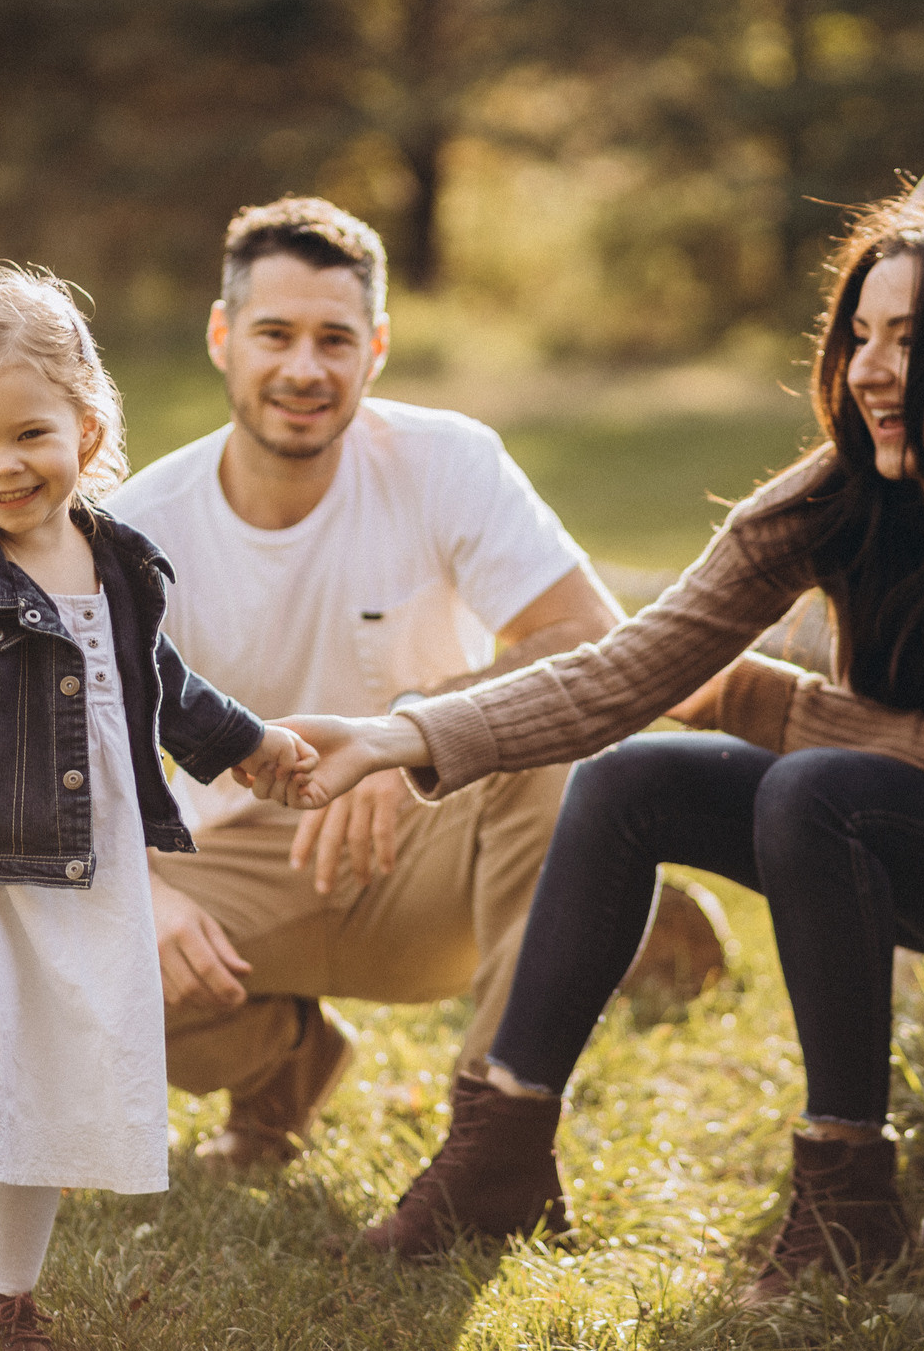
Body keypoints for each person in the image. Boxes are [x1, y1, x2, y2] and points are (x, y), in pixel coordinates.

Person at [281, 197, 924, 1297]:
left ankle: (849, 1199)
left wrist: (775, 708)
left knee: (816, 791)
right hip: (920, 836)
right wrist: (397, 737)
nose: (868, 369)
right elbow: (626, 671)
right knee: (630, 780)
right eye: (858, 336)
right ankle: (501, 1155)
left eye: (910, 341)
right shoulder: (849, 487)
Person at [0, 266, 319, 1351]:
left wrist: (249, 745)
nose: (3, 465)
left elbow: (155, 685)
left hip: (86, 878)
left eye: (30, 433)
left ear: (87, 426)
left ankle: (3, 1312)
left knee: (49, 1090)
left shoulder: (118, 562)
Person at [106, 198, 628, 1168]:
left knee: (562, 755)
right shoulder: (137, 530)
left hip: (427, 840)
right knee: (67, 949)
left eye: (334, 339)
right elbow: (60, 755)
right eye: (274, 334)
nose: (304, 368)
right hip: (238, 863)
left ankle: (495, 1136)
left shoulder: (448, 460)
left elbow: (591, 638)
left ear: (376, 349)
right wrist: (139, 893)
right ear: (223, 338)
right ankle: (286, 1064)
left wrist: (412, 735)